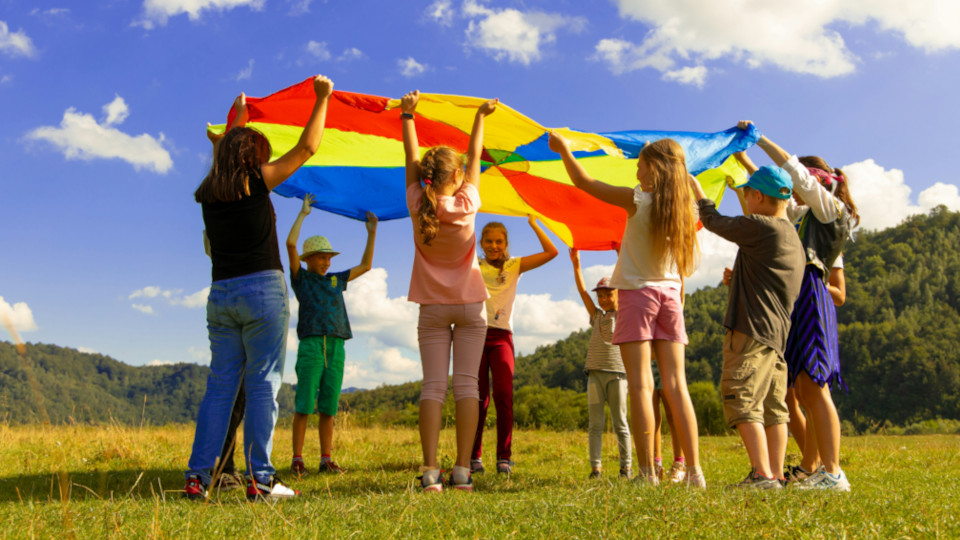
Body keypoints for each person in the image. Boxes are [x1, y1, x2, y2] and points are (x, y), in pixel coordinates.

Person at [184, 75, 334, 502]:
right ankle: (262, 480)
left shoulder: (210, 191)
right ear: (252, 157)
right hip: (262, 293)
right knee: (264, 384)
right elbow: (307, 147)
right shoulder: (256, 181)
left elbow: (223, 156)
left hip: (221, 296)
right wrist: (321, 99)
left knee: (220, 386)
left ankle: (198, 478)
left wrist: (239, 117)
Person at [549, 133, 705, 487]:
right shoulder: (688, 209)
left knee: (640, 385)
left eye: (641, 162)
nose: (636, 167)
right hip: (670, 296)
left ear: (655, 169)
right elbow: (699, 197)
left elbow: (583, 181)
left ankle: (648, 472)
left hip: (637, 294)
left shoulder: (638, 200)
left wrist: (565, 150)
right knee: (678, 385)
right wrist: (690, 181)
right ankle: (695, 472)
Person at [741, 121, 859, 491]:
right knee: (804, 388)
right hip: (796, 294)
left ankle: (833, 471)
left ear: (814, 183)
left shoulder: (829, 209)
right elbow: (775, 196)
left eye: (800, 183)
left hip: (812, 292)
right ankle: (819, 469)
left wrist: (759, 139)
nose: (793, 191)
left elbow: (790, 171)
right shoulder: (802, 214)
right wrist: (744, 160)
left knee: (816, 387)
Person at [401, 90, 498, 492]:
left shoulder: (416, 202)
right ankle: (461, 470)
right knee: (468, 387)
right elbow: (476, 158)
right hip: (471, 306)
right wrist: (480, 116)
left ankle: (429, 471)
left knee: (433, 387)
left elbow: (409, 162)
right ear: (457, 178)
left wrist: (408, 116)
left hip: (432, 309)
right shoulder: (468, 203)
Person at [689, 161, 805, 489]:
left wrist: (699, 194)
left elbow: (714, 221)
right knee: (773, 408)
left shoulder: (763, 226)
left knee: (742, 398)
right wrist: (737, 278)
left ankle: (761, 474)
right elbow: (770, 283)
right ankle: (776, 474)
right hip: (776, 336)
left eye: (747, 194)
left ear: (757, 195)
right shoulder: (790, 237)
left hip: (751, 330)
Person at [286, 193, 377, 477]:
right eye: (320, 258)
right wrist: (303, 214)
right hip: (312, 345)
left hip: (337, 345)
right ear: (308, 260)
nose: (326, 262)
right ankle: (297, 459)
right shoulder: (302, 279)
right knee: (304, 405)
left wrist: (371, 233)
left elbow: (366, 266)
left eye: (328, 257)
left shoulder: (337, 279)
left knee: (328, 407)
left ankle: (326, 459)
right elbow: (290, 244)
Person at [470, 217, 558, 475]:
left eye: (499, 241)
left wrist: (534, 223)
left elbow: (552, 252)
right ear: (481, 243)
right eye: (489, 241)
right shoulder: (473, 264)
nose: (494, 245)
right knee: (478, 399)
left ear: (506, 243)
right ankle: (474, 456)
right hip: (475, 334)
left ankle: (503, 458)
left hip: (502, 337)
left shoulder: (514, 265)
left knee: (504, 395)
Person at [570, 249, 632, 480]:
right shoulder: (596, 315)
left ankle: (626, 467)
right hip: (595, 375)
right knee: (595, 424)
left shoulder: (624, 313)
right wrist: (577, 264)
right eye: (601, 296)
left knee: (620, 423)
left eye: (609, 294)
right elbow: (582, 291)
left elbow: (628, 281)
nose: (604, 299)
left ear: (618, 294)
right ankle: (596, 468)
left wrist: (621, 255)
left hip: (617, 375)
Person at [652, 364, 686, 482]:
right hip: (646, 362)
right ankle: (656, 466)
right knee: (652, 418)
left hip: (666, 361)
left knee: (672, 415)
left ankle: (679, 464)